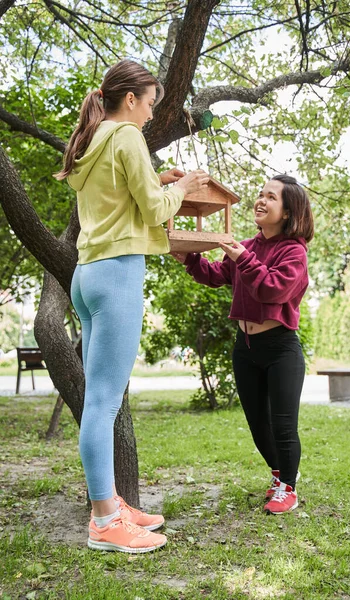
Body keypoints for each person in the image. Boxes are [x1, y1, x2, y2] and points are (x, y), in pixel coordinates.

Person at [55, 59, 209, 553]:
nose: (149, 114)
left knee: (103, 399)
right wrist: (181, 189)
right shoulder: (126, 138)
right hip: (117, 274)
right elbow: (154, 210)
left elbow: (119, 198)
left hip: (87, 274)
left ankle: (112, 502)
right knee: (103, 402)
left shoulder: (94, 140)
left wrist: (157, 178)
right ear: (130, 100)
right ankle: (104, 520)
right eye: (148, 104)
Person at [172, 175, 313, 515]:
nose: (261, 201)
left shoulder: (294, 252)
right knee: (257, 423)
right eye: (260, 194)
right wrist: (189, 259)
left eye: (271, 197)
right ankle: (279, 477)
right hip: (245, 348)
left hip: (281, 348)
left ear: (288, 211)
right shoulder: (247, 246)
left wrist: (243, 259)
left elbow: (273, 290)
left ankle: (288, 488)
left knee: (282, 424)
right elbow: (215, 275)